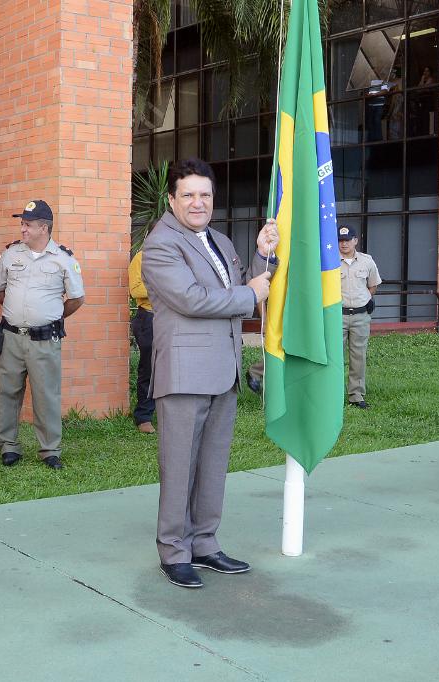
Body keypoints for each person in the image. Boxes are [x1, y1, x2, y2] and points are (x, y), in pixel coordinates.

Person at [141, 157, 277, 589]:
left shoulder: (217, 239)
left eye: (205, 194)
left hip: (223, 371)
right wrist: (249, 292)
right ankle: (174, 551)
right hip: (185, 373)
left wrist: (260, 254)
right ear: (171, 199)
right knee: (179, 465)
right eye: (188, 195)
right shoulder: (161, 244)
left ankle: (205, 543)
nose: (198, 202)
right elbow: (193, 299)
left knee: (213, 464)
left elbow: (247, 287)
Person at [0, 200, 85, 469]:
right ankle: (8, 445)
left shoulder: (63, 259)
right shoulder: (10, 255)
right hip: (11, 338)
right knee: (8, 391)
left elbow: (77, 298)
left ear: (44, 228)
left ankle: (49, 449)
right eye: (22, 223)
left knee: (46, 394)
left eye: (27, 224)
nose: (22, 229)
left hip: (45, 340)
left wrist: (52, 316)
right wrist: (17, 314)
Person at [338, 226, 382, 409]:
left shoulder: (366, 261)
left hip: (360, 316)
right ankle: (333, 394)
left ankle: (356, 395)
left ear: (355, 240)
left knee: (358, 356)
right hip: (337, 316)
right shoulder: (330, 261)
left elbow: (372, 285)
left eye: (348, 240)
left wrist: (366, 300)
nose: (344, 244)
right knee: (334, 357)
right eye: (341, 240)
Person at [128, 220, 157, 433]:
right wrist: (163, 287)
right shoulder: (141, 258)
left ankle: (166, 414)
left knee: (171, 370)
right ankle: (143, 417)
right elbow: (136, 290)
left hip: (171, 319)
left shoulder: (175, 257)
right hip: (148, 318)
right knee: (148, 368)